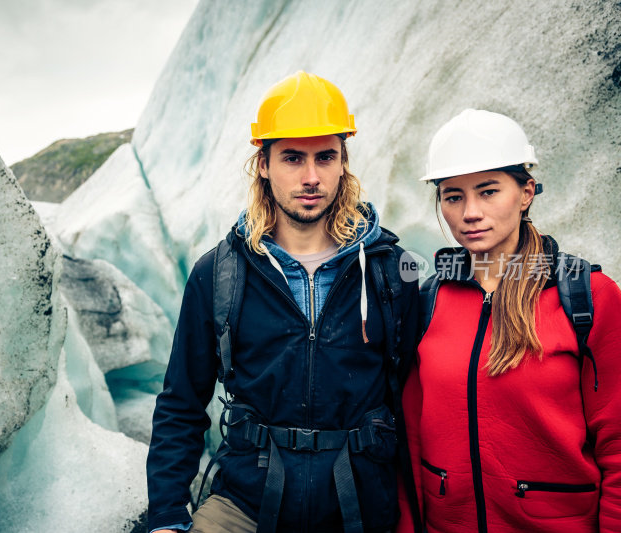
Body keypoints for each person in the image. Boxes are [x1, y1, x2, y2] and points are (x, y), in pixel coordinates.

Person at [146, 71, 420, 533]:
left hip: (356, 507)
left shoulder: (390, 271)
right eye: (293, 158)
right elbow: (181, 404)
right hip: (246, 502)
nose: (311, 177)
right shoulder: (219, 275)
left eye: (325, 157)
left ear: (343, 163)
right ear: (264, 165)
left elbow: (417, 404)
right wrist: (168, 517)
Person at [398, 109, 621, 532]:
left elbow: (618, 446)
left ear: (526, 192)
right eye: (453, 196)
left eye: (488, 192)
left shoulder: (588, 297)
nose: (470, 213)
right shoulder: (428, 301)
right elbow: (410, 442)